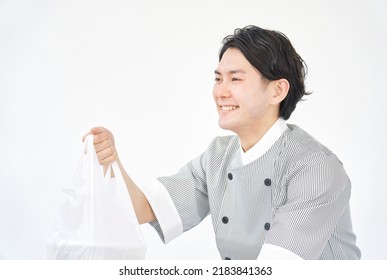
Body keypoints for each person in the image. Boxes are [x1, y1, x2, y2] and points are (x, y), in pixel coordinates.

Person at [83, 25, 361, 260]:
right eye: (218, 79)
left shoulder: (315, 168)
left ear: (277, 90)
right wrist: (111, 161)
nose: (221, 92)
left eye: (235, 79)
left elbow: (277, 270)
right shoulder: (218, 156)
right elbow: (144, 208)